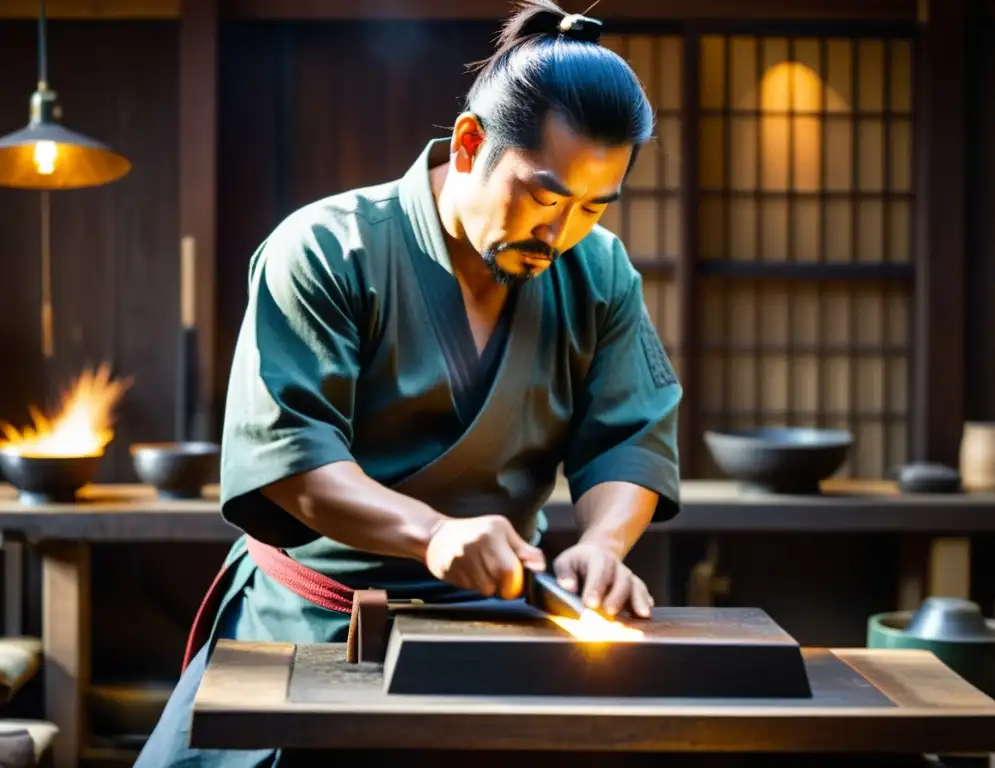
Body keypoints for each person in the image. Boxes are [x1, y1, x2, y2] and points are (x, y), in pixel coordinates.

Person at [135, 0, 682, 764]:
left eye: (593, 207)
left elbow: (630, 436)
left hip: (497, 621)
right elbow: (293, 462)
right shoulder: (327, 250)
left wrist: (601, 542)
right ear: (468, 145)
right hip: (315, 625)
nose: (562, 235)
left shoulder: (599, 273)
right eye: (546, 196)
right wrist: (433, 535)